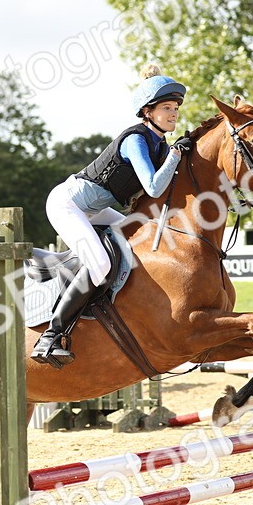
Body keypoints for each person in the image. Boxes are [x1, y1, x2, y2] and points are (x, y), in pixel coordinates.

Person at [31, 66, 194, 367]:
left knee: (139, 238)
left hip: (92, 209)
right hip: (67, 204)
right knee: (102, 263)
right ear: (148, 112)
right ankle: (50, 337)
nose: (174, 114)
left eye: (175, 109)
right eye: (167, 108)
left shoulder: (159, 144)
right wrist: (175, 155)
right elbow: (155, 187)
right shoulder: (136, 140)